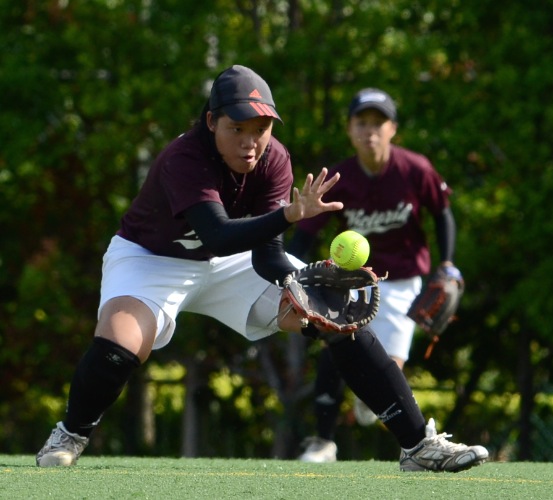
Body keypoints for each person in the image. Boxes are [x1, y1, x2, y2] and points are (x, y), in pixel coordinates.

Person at [36, 65, 488, 473]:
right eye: (237, 128)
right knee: (121, 344)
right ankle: (70, 435)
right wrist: (292, 216)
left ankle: (418, 446)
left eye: (262, 128)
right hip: (152, 259)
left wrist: (307, 287)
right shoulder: (184, 158)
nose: (251, 141)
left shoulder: (274, 159)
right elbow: (217, 234)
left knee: (339, 315)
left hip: (234, 262)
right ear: (211, 122)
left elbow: (266, 255)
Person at [288, 88, 462, 463]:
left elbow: (442, 213)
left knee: (388, 365)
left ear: (393, 129)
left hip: (402, 280)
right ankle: (323, 442)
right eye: (361, 122)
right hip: (353, 283)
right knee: (333, 348)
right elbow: (306, 234)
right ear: (349, 130)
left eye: (378, 123)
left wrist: (447, 265)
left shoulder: (416, 169)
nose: (370, 131)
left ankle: (378, 408)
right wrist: (287, 271)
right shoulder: (340, 177)